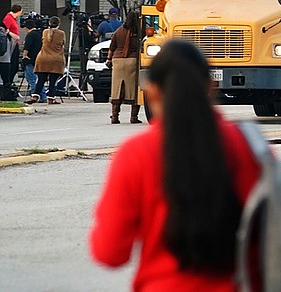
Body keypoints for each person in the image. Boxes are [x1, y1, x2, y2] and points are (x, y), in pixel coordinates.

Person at [89, 40, 260, 290]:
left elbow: (110, 252)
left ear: (152, 91)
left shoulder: (135, 154)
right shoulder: (246, 146)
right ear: (211, 87)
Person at [107, 11, 141, 124]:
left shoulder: (118, 31)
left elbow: (112, 47)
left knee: (117, 88)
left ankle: (115, 116)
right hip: (132, 61)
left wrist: (108, 60)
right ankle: (133, 117)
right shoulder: (139, 32)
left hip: (117, 61)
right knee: (134, 89)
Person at [28, 16, 66, 105]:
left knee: (41, 79)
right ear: (58, 24)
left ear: (49, 23)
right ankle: (51, 98)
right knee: (53, 80)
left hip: (43, 58)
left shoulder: (45, 32)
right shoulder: (61, 33)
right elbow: (63, 44)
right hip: (56, 59)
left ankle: (35, 96)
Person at [21, 19, 43, 101]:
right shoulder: (40, 34)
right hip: (38, 58)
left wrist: (24, 55)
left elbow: (27, 46)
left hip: (30, 59)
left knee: (31, 79)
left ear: (27, 28)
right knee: (39, 79)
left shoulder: (30, 35)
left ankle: (34, 95)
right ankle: (43, 95)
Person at [3, 4, 23, 87]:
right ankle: (8, 83)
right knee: (13, 64)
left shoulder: (13, 19)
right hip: (11, 44)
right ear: (17, 11)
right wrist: (12, 35)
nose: (21, 13)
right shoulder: (8, 18)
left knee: (15, 65)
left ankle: (10, 82)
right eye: (21, 12)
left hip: (15, 43)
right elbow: (4, 30)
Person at [0, 22, 20, 100]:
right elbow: (17, 38)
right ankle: (6, 96)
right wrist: (8, 32)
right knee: (6, 80)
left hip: (5, 61)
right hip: (6, 61)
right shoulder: (9, 39)